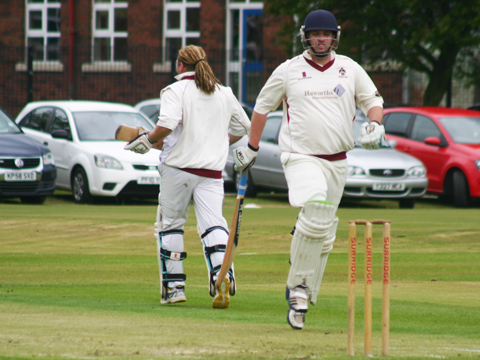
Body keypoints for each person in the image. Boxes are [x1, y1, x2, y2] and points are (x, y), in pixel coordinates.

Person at [233, 9, 385, 329]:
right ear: (305, 35)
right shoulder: (289, 70)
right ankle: (298, 290)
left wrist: (375, 123)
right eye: (315, 34)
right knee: (316, 207)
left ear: (335, 36)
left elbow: (372, 100)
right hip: (299, 156)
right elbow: (263, 107)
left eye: (326, 34)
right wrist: (252, 146)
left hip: (337, 161)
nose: (320, 39)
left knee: (325, 231)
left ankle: (305, 287)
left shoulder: (349, 68)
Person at [125, 45, 250, 309]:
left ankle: (174, 288)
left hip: (178, 171)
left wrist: (148, 140)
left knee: (170, 224)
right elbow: (243, 126)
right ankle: (222, 276)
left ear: (180, 66)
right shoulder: (224, 93)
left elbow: (167, 125)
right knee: (214, 225)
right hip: (212, 173)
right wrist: (220, 141)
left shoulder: (175, 90)